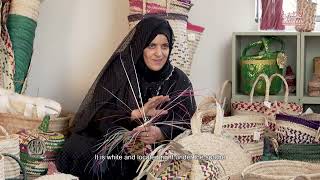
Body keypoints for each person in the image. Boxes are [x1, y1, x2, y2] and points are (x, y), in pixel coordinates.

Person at [56, 16, 196, 180]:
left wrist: (159, 133)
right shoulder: (121, 68)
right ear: (140, 45)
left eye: (165, 46)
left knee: (131, 165)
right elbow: (96, 113)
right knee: (77, 147)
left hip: (153, 153)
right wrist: (134, 114)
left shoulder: (178, 80)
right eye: (151, 46)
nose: (159, 53)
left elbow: (188, 124)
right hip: (114, 141)